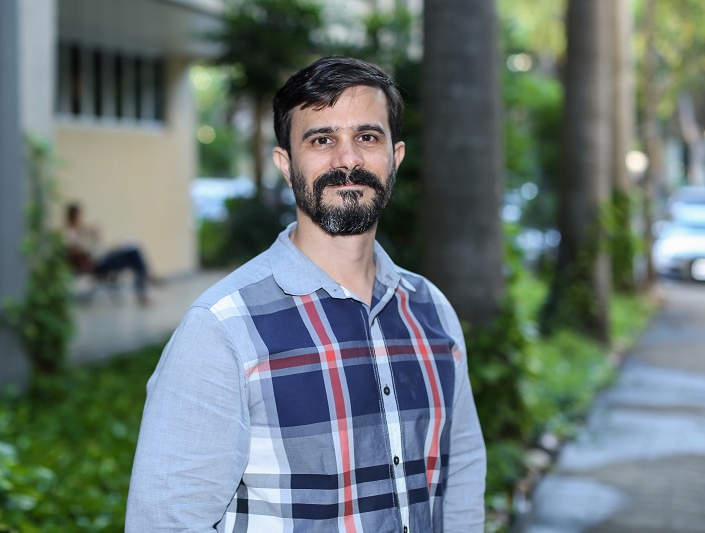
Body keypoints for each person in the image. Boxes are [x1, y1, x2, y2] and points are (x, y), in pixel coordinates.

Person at [126, 56, 486, 532]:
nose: (348, 159)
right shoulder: (222, 328)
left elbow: (460, 477)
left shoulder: (431, 311)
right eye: (322, 139)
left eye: (367, 137)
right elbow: (166, 522)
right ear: (286, 163)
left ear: (394, 156)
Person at [63, 202, 154, 306]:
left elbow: (96, 240)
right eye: (77, 217)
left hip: (102, 256)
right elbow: (76, 252)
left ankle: (146, 283)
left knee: (133, 249)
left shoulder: (81, 229)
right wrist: (84, 241)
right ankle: (146, 286)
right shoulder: (69, 233)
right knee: (134, 256)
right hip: (98, 263)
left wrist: (92, 234)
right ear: (72, 217)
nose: (80, 220)